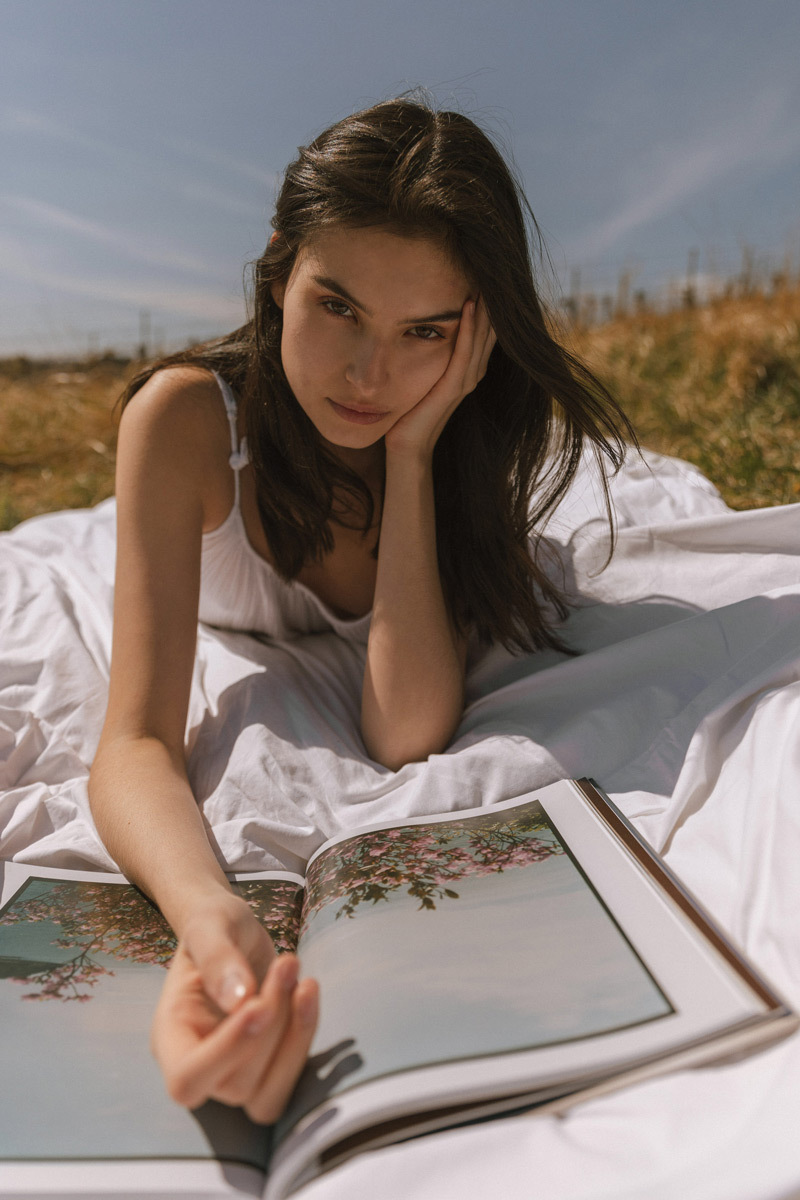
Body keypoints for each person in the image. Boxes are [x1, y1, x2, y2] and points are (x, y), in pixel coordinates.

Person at [87, 96, 633, 1125]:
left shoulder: (457, 445)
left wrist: (416, 454)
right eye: (335, 305)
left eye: (421, 330)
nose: (366, 374)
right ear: (277, 273)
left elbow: (405, 730)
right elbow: (133, 740)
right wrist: (210, 914)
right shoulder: (186, 422)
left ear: (471, 340)